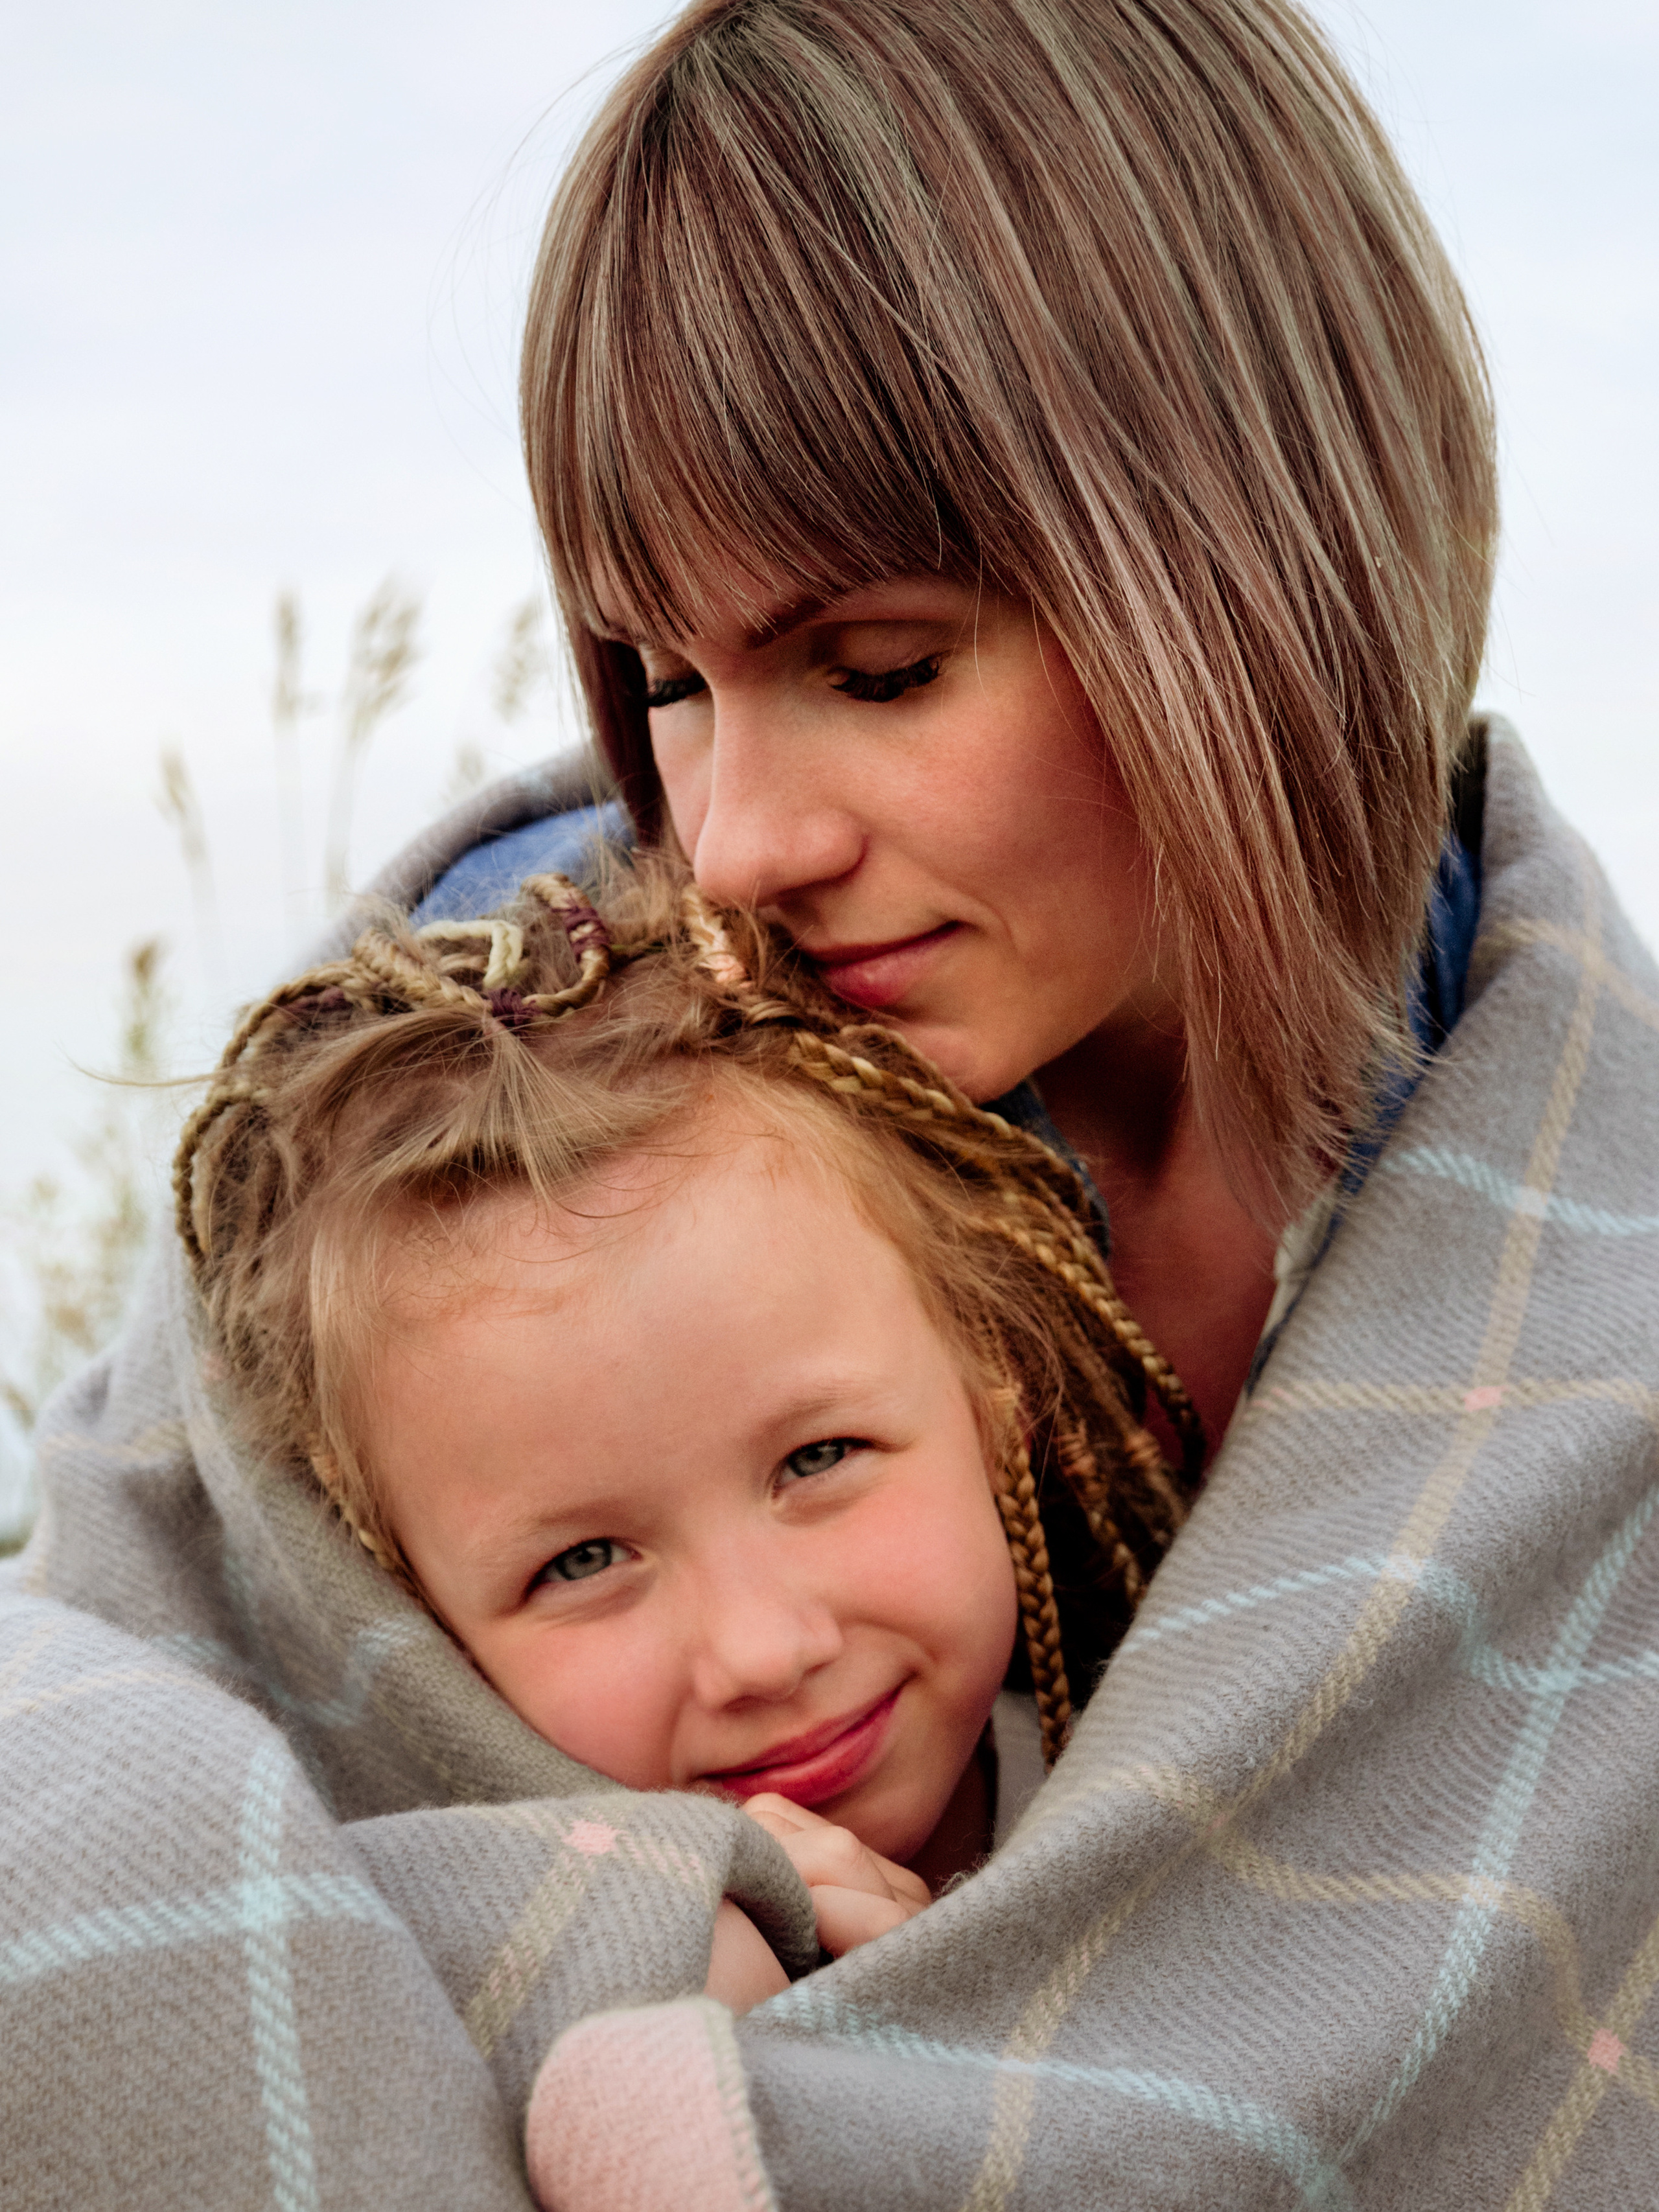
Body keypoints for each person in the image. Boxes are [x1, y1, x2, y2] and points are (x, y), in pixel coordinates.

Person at [6, 0, 1656, 2204]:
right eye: (669, 682)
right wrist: (571, 1924)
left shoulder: (1605, 1336)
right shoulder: (452, 1138)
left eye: (876, 670)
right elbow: (72, 1797)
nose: (739, 839)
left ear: (1263, 560)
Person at [172, 856, 1197, 1998]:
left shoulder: (1198, 1787)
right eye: (584, 1561)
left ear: (992, 1397)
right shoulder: (433, 1964)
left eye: (818, 1458)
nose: (762, 1652)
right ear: (415, 1619)